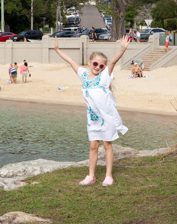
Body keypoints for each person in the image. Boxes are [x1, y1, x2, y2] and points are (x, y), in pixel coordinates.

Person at [54, 35, 131, 187]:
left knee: (107, 145)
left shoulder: (104, 77)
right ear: (90, 62)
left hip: (106, 117)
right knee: (93, 146)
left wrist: (122, 48)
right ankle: (91, 175)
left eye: (101, 66)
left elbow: (114, 61)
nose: (97, 67)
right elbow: (71, 61)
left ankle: (109, 176)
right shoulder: (83, 75)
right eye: (95, 64)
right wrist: (57, 49)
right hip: (92, 118)